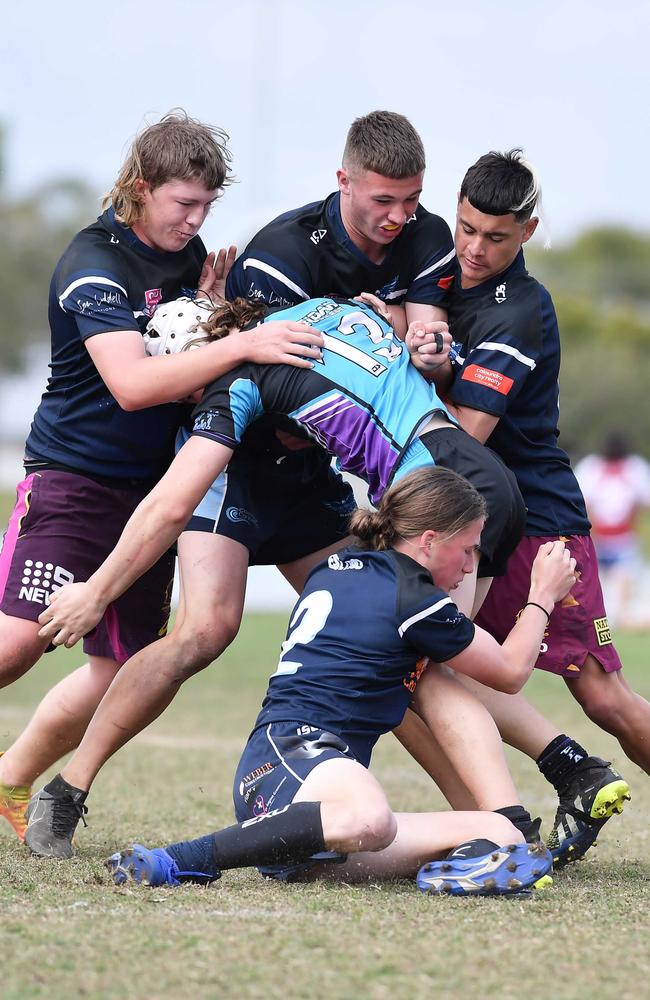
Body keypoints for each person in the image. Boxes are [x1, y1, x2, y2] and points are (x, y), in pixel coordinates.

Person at [13, 110, 466, 858]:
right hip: (227, 460)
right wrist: (254, 339)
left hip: (306, 475)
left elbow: (425, 347)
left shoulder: (418, 238)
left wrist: (420, 342)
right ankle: (68, 790)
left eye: (409, 201)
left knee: (389, 629)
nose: (398, 216)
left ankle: (483, 821)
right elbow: (198, 382)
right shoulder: (275, 255)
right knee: (204, 632)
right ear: (343, 181)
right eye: (383, 200)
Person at [31, 293, 530, 858]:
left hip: (318, 481)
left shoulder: (232, 382)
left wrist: (95, 592)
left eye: (182, 392)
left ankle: (495, 823)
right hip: (257, 474)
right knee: (204, 632)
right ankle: (69, 788)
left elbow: (168, 504)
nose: (184, 401)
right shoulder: (314, 309)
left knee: (409, 651)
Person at [0, 111, 324, 842]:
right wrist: (248, 342)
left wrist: (211, 312)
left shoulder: (189, 255)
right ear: (141, 189)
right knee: (20, 643)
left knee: (120, 665)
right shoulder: (94, 261)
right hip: (74, 479)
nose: (197, 219)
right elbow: (133, 385)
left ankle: (12, 775)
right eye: (184, 203)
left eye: (207, 205)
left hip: (152, 491)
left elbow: (185, 359)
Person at [103, 466, 576, 896]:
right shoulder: (415, 600)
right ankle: (181, 860)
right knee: (370, 817)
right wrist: (542, 594)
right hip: (288, 760)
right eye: (469, 548)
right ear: (429, 541)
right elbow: (511, 672)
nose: (471, 565)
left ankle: (454, 864)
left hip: (318, 805)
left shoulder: (340, 566)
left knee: (503, 836)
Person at [417, 149, 640, 863]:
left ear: (529, 232)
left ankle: (569, 773)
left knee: (603, 697)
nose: (476, 250)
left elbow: (466, 436)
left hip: (539, 523)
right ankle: (510, 815)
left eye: (496, 238)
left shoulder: (521, 311)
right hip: (472, 517)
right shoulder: (441, 273)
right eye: (466, 229)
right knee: (426, 664)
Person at [575, 432, 650, 629]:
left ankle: (620, 621)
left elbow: (642, 502)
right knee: (594, 590)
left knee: (621, 592)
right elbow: (584, 503)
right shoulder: (592, 467)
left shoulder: (634, 468)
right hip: (597, 539)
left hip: (623, 540)